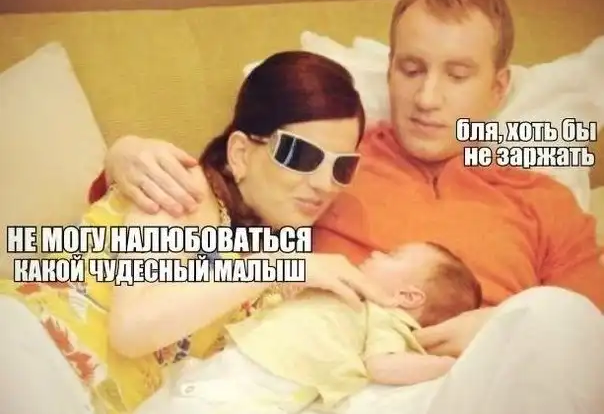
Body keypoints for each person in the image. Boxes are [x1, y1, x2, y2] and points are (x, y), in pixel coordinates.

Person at [95, 0, 604, 413]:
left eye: (457, 74)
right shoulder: (331, 160)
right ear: (389, 70)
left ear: (498, 87)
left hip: (472, 385)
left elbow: (587, 340)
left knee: (560, 318)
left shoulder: (545, 200)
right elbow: (220, 190)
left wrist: (497, 326)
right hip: (337, 386)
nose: (427, 98)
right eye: (411, 69)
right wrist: (124, 156)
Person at [0, 51, 397, 414]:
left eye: (342, 166)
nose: (325, 184)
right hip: (32, 347)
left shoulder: (272, 265)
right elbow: (132, 329)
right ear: (241, 153)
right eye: (301, 154)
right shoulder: (184, 189)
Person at [134, 241, 482, 414]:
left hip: (267, 381)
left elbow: (384, 365)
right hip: (240, 362)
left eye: (391, 255)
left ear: (408, 296)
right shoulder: (346, 291)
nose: (376, 252)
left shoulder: (387, 317)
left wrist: (454, 366)